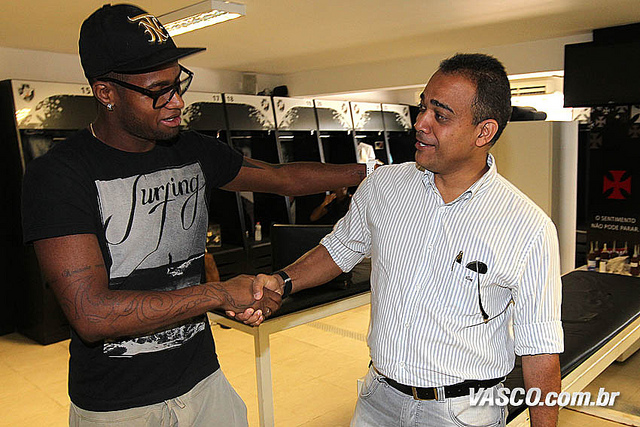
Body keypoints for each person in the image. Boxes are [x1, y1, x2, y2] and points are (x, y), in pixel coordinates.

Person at [21, 4, 374, 426]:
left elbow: (281, 177)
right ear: (106, 93)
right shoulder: (59, 175)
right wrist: (219, 294)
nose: (177, 102)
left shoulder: (191, 149)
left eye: (178, 84)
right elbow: (92, 313)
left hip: (204, 383)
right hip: (120, 406)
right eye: (158, 91)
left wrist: (374, 174)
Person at [248, 53, 563, 426]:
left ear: (484, 132)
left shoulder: (527, 227)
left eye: (440, 116)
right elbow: (339, 249)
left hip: (462, 413)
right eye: (423, 107)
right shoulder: (384, 187)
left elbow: (540, 350)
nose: (420, 123)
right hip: (377, 400)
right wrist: (282, 280)